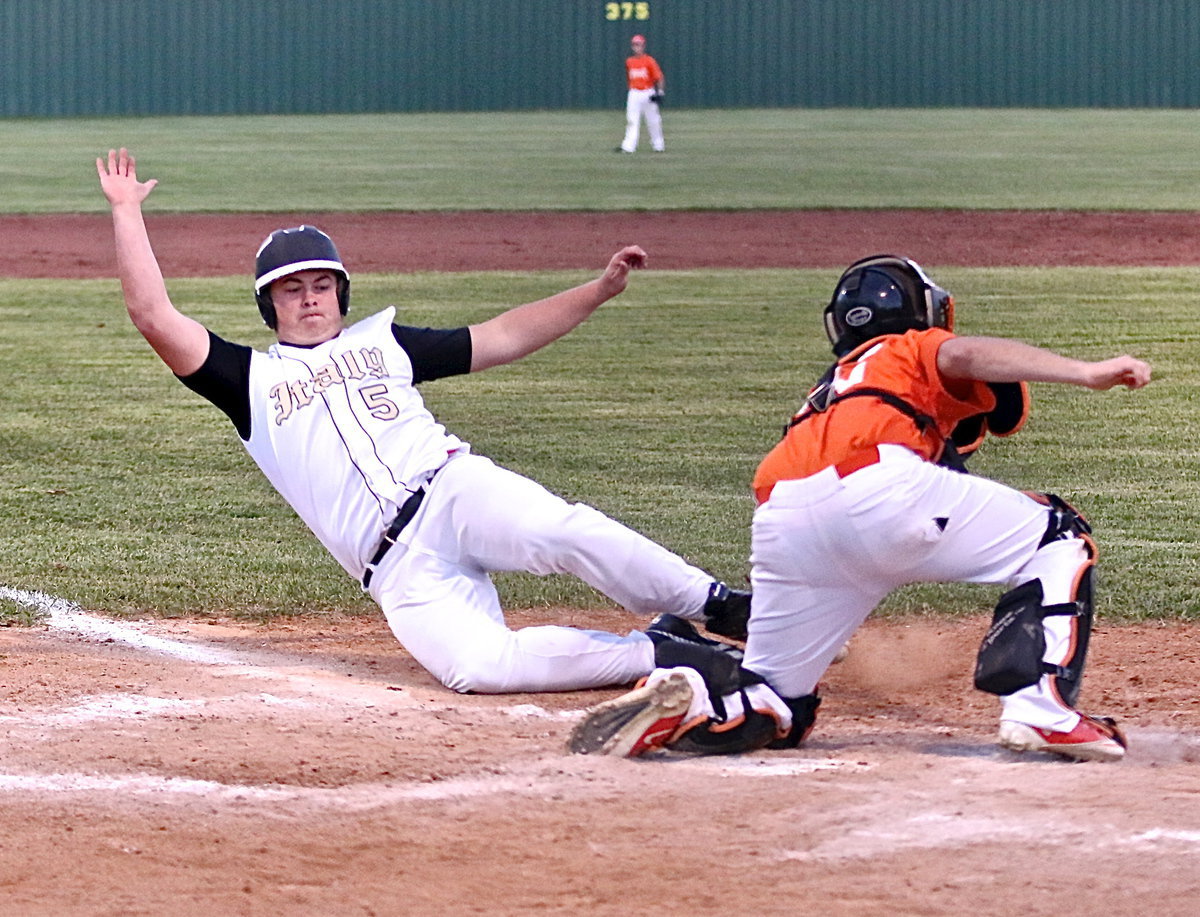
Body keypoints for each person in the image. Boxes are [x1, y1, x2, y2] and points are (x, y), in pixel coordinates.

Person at [96, 147, 750, 695]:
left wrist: (597, 290)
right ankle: (659, 651)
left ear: (341, 292)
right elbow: (154, 315)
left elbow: (501, 335)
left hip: (453, 492)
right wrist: (127, 211)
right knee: (477, 668)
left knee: (562, 529)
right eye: (291, 289)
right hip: (396, 570)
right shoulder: (247, 381)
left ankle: (719, 604)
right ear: (269, 305)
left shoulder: (384, 343)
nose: (309, 298)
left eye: (321, 284)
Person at [569, 254, 1151, 761]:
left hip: (784, 518)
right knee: (1056, 534)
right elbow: (969, 355)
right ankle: (1039, 707)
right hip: (876, 489)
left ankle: (693, 696)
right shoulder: (907, 348)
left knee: (777, 701)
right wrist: (1086, 372)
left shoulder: (827, 392)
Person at [617, 34, 665, 154]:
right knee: (632, 120)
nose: (636, 47)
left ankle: (658, 145)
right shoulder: (629, 61)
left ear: (643, 46)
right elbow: (630, 78)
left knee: (653, 120)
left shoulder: (649, 61)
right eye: (634, 45)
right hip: (634, 92)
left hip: (648, 92)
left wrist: (659, 92)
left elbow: (659, 77)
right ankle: (628, 147)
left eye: (639, 45)